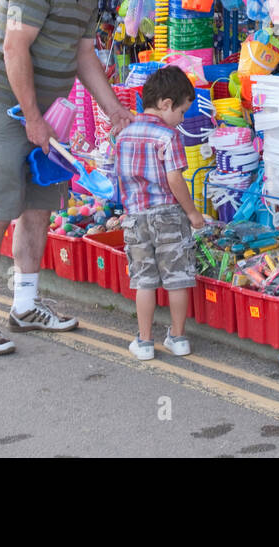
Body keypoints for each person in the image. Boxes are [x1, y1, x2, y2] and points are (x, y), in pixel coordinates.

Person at [0, 0, 134, 356]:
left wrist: (113, 110)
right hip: (7, 108)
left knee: (38, 210)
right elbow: (15, 49)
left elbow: (83, 55)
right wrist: (33, 119)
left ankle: (25, 305)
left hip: (50, 113)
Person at [114, 65, 206, 360]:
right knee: (178, 278)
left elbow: (118, 178)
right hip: (168, 215)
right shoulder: (168, 137)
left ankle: (143, 342)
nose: (181, 120)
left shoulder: (124, 135)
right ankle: (178, 338)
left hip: (135, 217)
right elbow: (174, 179)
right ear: (166, 105)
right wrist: (192, 213)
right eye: (181, 113)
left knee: (144, 280)